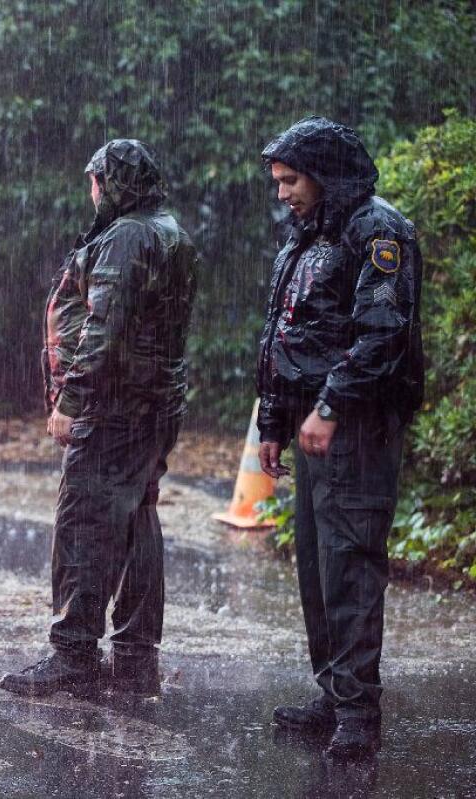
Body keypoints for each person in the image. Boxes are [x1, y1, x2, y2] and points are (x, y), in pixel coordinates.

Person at [0, 139, 197, 698]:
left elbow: (103, 325)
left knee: (85, 521)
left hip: (114, 407)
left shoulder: (130, 235)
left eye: (95, 181)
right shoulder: (170, 232)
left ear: (113, 183)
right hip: (152, 404)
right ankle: (135, 658)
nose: (90, 193)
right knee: (136, 523)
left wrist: (73, 397)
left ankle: (74, 652)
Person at [256, 116, 423, 760]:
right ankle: (333, 695)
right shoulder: (307, 234)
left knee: (350, 565)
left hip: (359, 424)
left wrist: (328, 405)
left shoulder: (378, 230)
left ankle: (358, 712)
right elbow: (286, 331)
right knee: (318, 567)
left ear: (324, 174)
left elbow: (382, 334)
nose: (283, 194)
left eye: (291, 180)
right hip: (312, 428)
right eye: (278, 182)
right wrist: (274, 418)